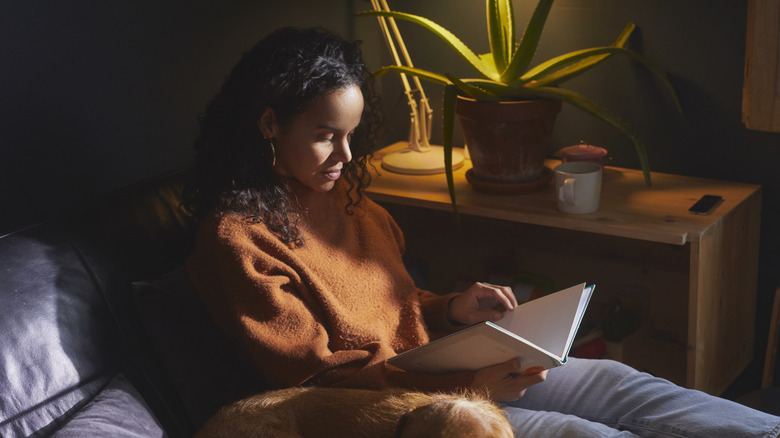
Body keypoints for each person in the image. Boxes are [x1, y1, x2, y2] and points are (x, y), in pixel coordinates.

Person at [183, 26, 780, 437]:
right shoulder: (237, 239)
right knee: (581, 431)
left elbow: (393, 304)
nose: (344, 154)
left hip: (439, 371)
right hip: (400, 413)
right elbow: (319, 381)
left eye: (351, 133)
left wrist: (451, 310)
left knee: (625, 386)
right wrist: (473, 382)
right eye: (324, 134)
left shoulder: (339, 192)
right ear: (268, 123)